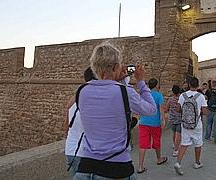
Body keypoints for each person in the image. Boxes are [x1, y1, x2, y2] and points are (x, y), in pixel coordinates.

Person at [73, 43, 156, 180]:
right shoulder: (125, 92)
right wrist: (140, 81)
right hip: (116, 169)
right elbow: (151, 110)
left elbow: (105, 97)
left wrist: (115, 80)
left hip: (86, 168)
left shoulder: (82, 91)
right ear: (116, 67)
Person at [64, 67, 96, 177]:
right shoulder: (95, 99)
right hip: (85, 153)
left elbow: (67, 126)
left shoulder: (75, 98)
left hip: (70, 150)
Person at [174, 77, 207, 175]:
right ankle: (197, 162)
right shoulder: (201, 96)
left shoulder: (182, 96)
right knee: (198, 144)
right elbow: (204, 112)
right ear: (197, 85)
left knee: (184, 143)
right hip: (196, 125)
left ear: (189, 85)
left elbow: (178, 110)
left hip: (185, 124)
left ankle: (178, 162)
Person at [137, 78, 167, 174]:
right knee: (157, 141)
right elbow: (161, 109)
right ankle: (159, 159)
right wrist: (163, 119)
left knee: (143, 144)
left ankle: (140, 166)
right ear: (156, 85)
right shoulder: (159, 95)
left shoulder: (144, 95)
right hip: (155, 123)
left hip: (144, 122)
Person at [166, 85, 182, 157]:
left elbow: (167, 108)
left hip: (172, 118)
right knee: (178, 134)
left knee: (174, 132)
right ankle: (176, 149)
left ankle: (174, 144)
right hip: (180, 118)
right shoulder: (181, 99)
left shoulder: (170, 99)